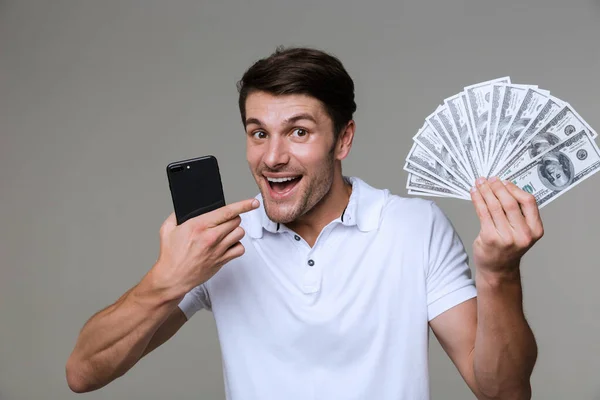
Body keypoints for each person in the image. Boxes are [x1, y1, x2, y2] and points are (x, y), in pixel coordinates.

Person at [66, 47, 543, 399]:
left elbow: (502, 391)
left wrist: (500, 275)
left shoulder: (414, 227)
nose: (273, 157)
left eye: (298, 131)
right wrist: (165, 281)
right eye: (258, 133)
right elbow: (84, 374)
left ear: (343, 139)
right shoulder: (219, 242)